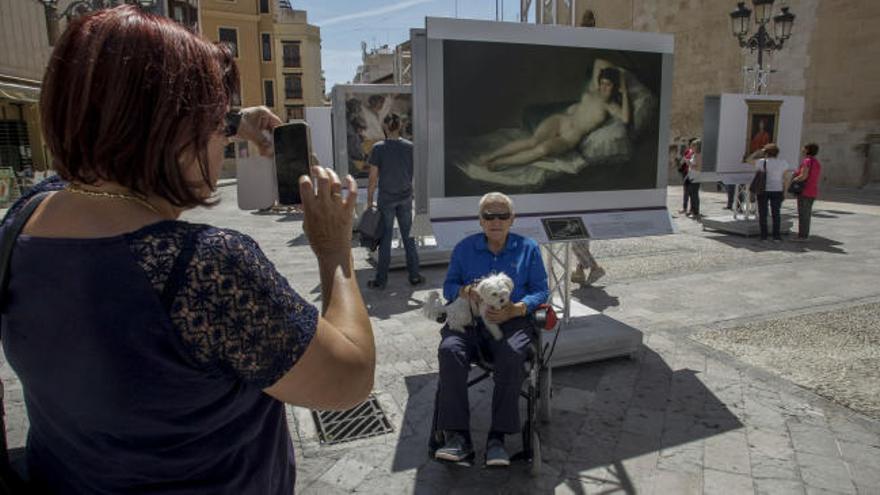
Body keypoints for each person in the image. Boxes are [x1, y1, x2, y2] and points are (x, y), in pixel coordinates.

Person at [0, 7, 374, 493]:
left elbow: (105, 151)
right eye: (214, 124)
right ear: (176, 129)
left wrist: (235, 122)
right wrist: (334, 250)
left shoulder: (24, 216)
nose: (222, 144)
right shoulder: (205, 267)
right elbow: (350, 378)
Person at [434, 192, 549, 467]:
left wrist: (518, 308)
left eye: (502, 216)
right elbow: (449, 287)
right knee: (449, 351)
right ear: (480, 220)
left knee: (512, 354)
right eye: (489, 216)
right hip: (470, 322)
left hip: (511, 322)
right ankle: (458, 437)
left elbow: (541, 289)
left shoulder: (528, 248)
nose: (496, 221)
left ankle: (498, 438)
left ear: (512, 219)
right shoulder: (464, 248)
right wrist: (465, 291)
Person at [479, 59, 631, 170]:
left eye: (608, 85)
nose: (603, 87)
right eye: (602, 83)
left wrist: (623, 87)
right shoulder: (594, 88)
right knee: (532, 142)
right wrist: (617, 74)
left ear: (615, 87)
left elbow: (625, 119)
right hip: (561, 121)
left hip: (570, 137)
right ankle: (491, 156)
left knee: (541, 150)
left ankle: (499, 163)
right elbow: (599, 62)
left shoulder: (611, 106)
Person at [366, 113, 424, 289]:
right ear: (400, 126)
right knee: (409, 238)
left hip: (386, 198)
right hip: (405, 197)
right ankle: (414, 276)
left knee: (385, 239)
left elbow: (373, 178)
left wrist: (370, 200)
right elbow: (412, 173)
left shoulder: (378, 148)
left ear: (385, 126)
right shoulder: (410, 147)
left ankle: (381, 280)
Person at [750, 143, 795, 241]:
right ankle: (776, 236)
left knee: (763, 214)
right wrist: (785, 192)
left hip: (763, 190)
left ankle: (764, 236)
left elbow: (748, 160)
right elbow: (786, 178)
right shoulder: (783, 163)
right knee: (776, 214)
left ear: (766, 152)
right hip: (777, 190)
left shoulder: (761, 162)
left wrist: (759, 152)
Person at [791, 143, 822, 242]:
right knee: (807, 214)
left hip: (805, 190)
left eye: (804, 148)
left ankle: (803, 236)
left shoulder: (807, 161)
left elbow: (804, 176)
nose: (802, 149)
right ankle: (804, 234)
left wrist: (794, 179)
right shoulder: (816, 162)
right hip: (812, 190)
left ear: (807, 150)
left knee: (803, 214)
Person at [686, 139, 703, 219]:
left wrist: (689, 163)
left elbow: (698, 167)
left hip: (696, 176)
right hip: (692, 175)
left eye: (693, 145)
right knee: (691, 194)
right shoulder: (694, 154)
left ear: (697, 146)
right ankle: (692, 210)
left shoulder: (699, 155)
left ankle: (695, 211)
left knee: (694, 194)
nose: (691, 147)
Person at [678, 138, 695, 215]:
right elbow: (682, 160)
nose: (690, 145)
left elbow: (693, 163)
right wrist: (682, 160)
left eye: (690, 144)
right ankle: (684, 208)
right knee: (686, 192)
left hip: (691, 174)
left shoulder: (695, 153)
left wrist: (686, 161)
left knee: (691, 192)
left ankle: (691, 209)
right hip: (685, 173)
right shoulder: (688, 151)